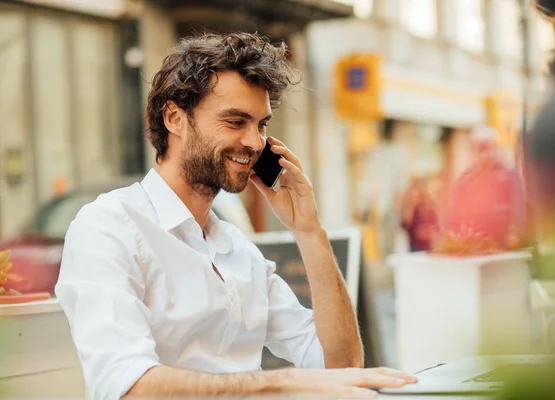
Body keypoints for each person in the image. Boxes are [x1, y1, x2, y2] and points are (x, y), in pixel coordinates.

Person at [55, 33, 415, 400]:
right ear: (174, 117)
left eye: (260, 125)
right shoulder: (108, 227)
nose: (255, 142)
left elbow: (342, 366)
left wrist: (309, 231)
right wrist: (282, 382)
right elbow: (129, 386)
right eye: (235, 121)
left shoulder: (238, 250)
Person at [436, 124, 526, 254]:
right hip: (473, 243)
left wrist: (514, 232)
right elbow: (455, 209)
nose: (484, 153)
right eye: (479, 148)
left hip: (501, 242)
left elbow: (517, 205)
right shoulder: (466, 179)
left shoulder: (507, 175)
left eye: (486, 147)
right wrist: (451, 232)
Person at [400, 178, 439, 252]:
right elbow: (404, 225)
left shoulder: (428, 207)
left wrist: (428, 230)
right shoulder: (409, 208)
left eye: (417, 195)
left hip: (427, 245)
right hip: (413, 245)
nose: (415, 197)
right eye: (413, 195)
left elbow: (436, 225)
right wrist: (409, 210)